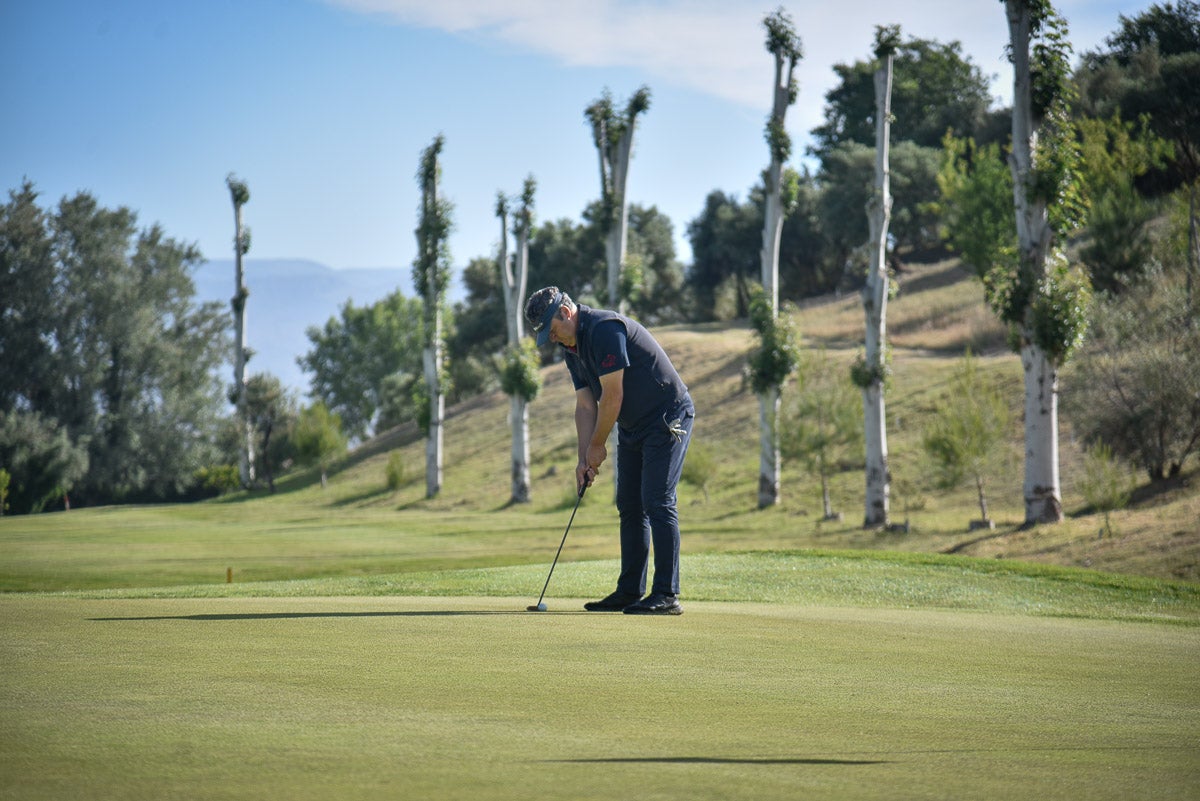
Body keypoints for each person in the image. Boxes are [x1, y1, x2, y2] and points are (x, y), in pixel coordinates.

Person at [524, 287, 695, 615]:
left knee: (657, 500)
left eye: (554, 331)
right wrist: (583, 457)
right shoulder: (572, 349)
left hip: (667, 416)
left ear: (566, 313)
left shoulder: (605, 329)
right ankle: (630, 591)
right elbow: (586, 405)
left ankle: (666, 594)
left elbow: (612, 396)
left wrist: (598, 445)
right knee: (629, 505)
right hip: (632, 425)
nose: (554, 339)